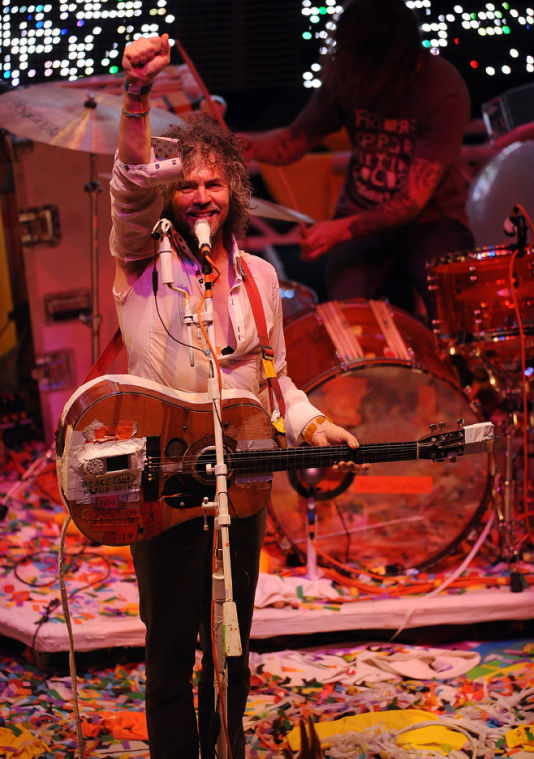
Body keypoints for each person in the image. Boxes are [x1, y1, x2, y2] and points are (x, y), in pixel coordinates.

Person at [111, 33, 365, 759]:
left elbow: (274, 375)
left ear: (233, 194)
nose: (199, 195)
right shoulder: (140, 260)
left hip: (244, 471)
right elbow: (130, 185)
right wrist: (137, 98)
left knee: (231, 640)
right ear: (171, 194)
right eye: (186, 184)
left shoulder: (257, 275)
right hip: (164, 469)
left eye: (213, 184)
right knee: (170, 647)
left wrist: (311, 422)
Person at [243, 0, 475, 322]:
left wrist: (337, 230)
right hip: (362, 212)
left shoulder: (441, 89)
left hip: (432, 220)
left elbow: (410, 202)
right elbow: (294, 141)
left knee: (455, 315)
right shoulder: (350, 77)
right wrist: (247, 145)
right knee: (345, 318)